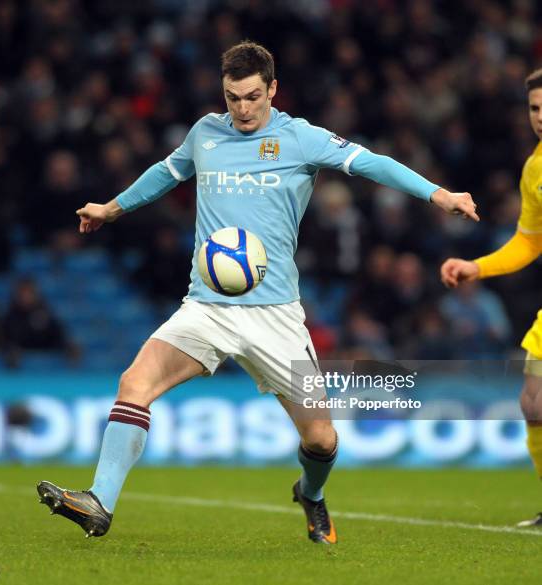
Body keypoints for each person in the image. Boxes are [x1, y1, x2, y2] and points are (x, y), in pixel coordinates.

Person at [37, 41, 478, 544]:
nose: (242, 109)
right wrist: (111, 208)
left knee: (321, 438)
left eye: (252, 96)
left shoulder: (301, 138)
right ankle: (100, 502)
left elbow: (372, 163)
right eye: (232, 98)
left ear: (272, 89)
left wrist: (439, 194)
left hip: (276, 317)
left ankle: (310, 494)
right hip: (207, 306)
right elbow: (166, 173)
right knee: (134, 383)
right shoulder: (206, 133)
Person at [441, 67, 542, 528]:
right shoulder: (534, 168)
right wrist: (475, 267)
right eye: (535, 108)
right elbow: (529, 240)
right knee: (534, 404)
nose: (540, 117)